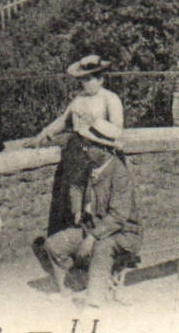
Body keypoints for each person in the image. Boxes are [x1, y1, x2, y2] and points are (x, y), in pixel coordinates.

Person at [32, 119, 141, 308]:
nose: (84, 148)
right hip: (93, 227)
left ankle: (94, 302)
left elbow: (118, 217)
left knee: (102, 247)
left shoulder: (120, 174)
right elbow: (76, 186)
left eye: (88, 145)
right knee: (53, 245)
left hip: (122, 233)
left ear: (104, 149)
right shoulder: (90, 166)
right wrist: (76, 210)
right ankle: (69, 288)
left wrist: (91, 237)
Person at [29, 55, 126, 234]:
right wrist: (43, 134)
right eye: (82, 80)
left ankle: (102, 239)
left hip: (102, 154)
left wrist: (94, 122)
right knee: (75, 197)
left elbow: (118, 132)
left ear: (100, 79)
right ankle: (77, 236)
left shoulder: (110, 99)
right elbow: (64, 120)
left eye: (89, 80)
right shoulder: (79, 99)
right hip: (78, 153)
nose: (84, 84)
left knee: (100, 199)